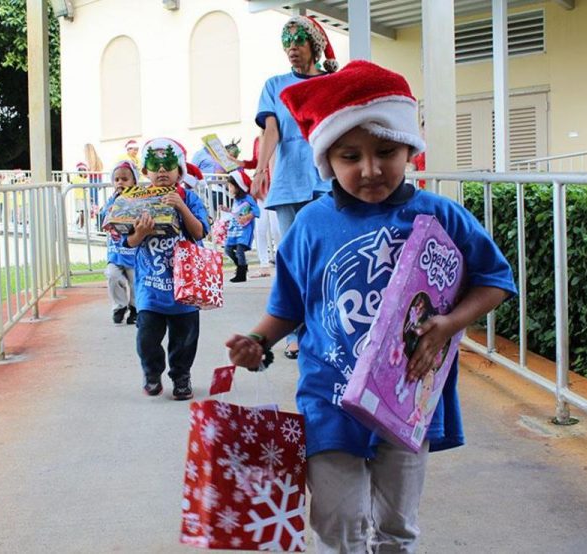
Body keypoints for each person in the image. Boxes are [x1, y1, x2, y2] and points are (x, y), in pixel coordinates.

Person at [225, 61, 518, 553]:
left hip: (408, 398)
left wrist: (448, 325)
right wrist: (257, 340)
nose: (370, 168)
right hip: (328, 399)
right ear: (327, 160)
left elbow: (494, 279)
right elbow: (289, 306)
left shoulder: (439, 214)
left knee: (397, 526)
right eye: (349, 155)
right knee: (336, 523)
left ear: (410, 148)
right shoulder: (311, 226)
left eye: (386, 151)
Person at [252, 14, 339, 358]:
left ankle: (328, 328)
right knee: (294, 261)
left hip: (326, 180)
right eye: (287, 43)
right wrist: (261, 169)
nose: (292, 49)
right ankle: (297, 331)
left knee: (327, 257)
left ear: (313, 46)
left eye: (298, 42)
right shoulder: (275, 85)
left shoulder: (331, 82)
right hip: (289, 182)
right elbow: (270, 129)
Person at [122, 138, 209, 400]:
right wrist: (140, 233)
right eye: (155, 166)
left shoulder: (189, 198)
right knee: (147, 337)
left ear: (179, 170)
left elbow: (200, 231)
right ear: (146, 171)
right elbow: (126, 240)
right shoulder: (135, 200)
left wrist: (181, 207)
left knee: (185, 339)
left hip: (185, 285)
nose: (162, 171)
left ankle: (181, 376)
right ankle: (152, 373)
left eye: (169, 165)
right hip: (151, 286)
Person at [227, 137, 281, 277]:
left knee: (277, 229)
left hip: (277, 189)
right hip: (262, 190)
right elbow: (255, 163)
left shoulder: (279, 135)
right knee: (260, 229)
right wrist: (238, 162)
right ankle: (264, 265)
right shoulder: (258, 140)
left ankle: (283, 263)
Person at [99, 160, 139, 325]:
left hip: (133, 253)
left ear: (134, 181)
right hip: (116, 253)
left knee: (135, 282)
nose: (120, 183)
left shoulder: (139, 199)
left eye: (124, 179)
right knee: (113, 276)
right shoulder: (111, 201)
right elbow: (102, 219)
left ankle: (135, 308)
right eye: (117, 180)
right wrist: (112, 204)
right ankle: (120, 306)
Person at [223, 170, 259, 283]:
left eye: (230, 185)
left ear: (238, 186)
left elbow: (256, 211)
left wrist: (248, 217)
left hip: (244, 229)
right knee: (228, 249)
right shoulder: (236, 200)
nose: (229, 188)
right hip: (234, 228)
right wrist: (227, 210)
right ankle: (241, 265)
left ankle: (241, 273)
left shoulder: (248, 198)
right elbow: (236, 212)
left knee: (239, 250)